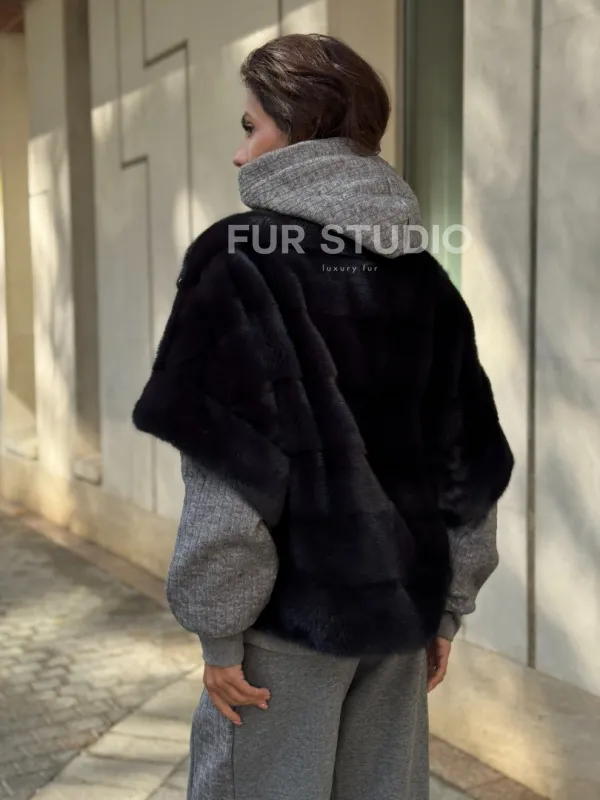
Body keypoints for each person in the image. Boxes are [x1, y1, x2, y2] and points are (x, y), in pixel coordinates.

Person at [133, 33, 514, 800]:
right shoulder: (425, 280)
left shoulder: (239, 262)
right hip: (400, 622)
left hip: (286, 630)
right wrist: (447, 611)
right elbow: (470, 467)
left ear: (297, 128)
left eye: (251, 127)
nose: (240, 153)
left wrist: (220, 628)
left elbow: (230, 477)